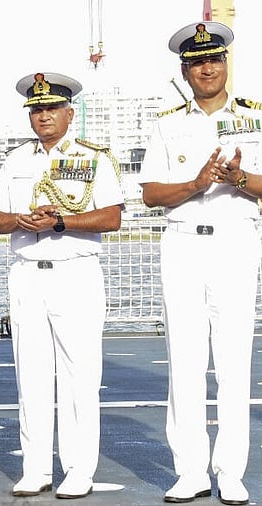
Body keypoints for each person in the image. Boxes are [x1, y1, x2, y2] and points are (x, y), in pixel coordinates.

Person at [0, 72, 124, 499]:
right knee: (32, 373)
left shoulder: (93, 157)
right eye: (36, 109)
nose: (43, 116)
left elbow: (112, 216)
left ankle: (79, 468)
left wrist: (61, 221)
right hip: (27, 271)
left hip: (75, 271)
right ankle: (36, 467)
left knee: (80, 375)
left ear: (69, 113)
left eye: (51, 109)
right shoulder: (16, 160)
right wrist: (20, 220)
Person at [139, 22, 261, 506]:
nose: (206, 68)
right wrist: (194, 183)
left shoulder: (256, 118)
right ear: (184, 70)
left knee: (234, 362)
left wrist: (240, 177)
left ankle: (230, 472)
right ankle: (189, 470)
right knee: (185, 362)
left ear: (225, 63)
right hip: (184, 242)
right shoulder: (168, 123)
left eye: (213, 59)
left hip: (236, 240)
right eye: (196, 62)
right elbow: (150, 194)